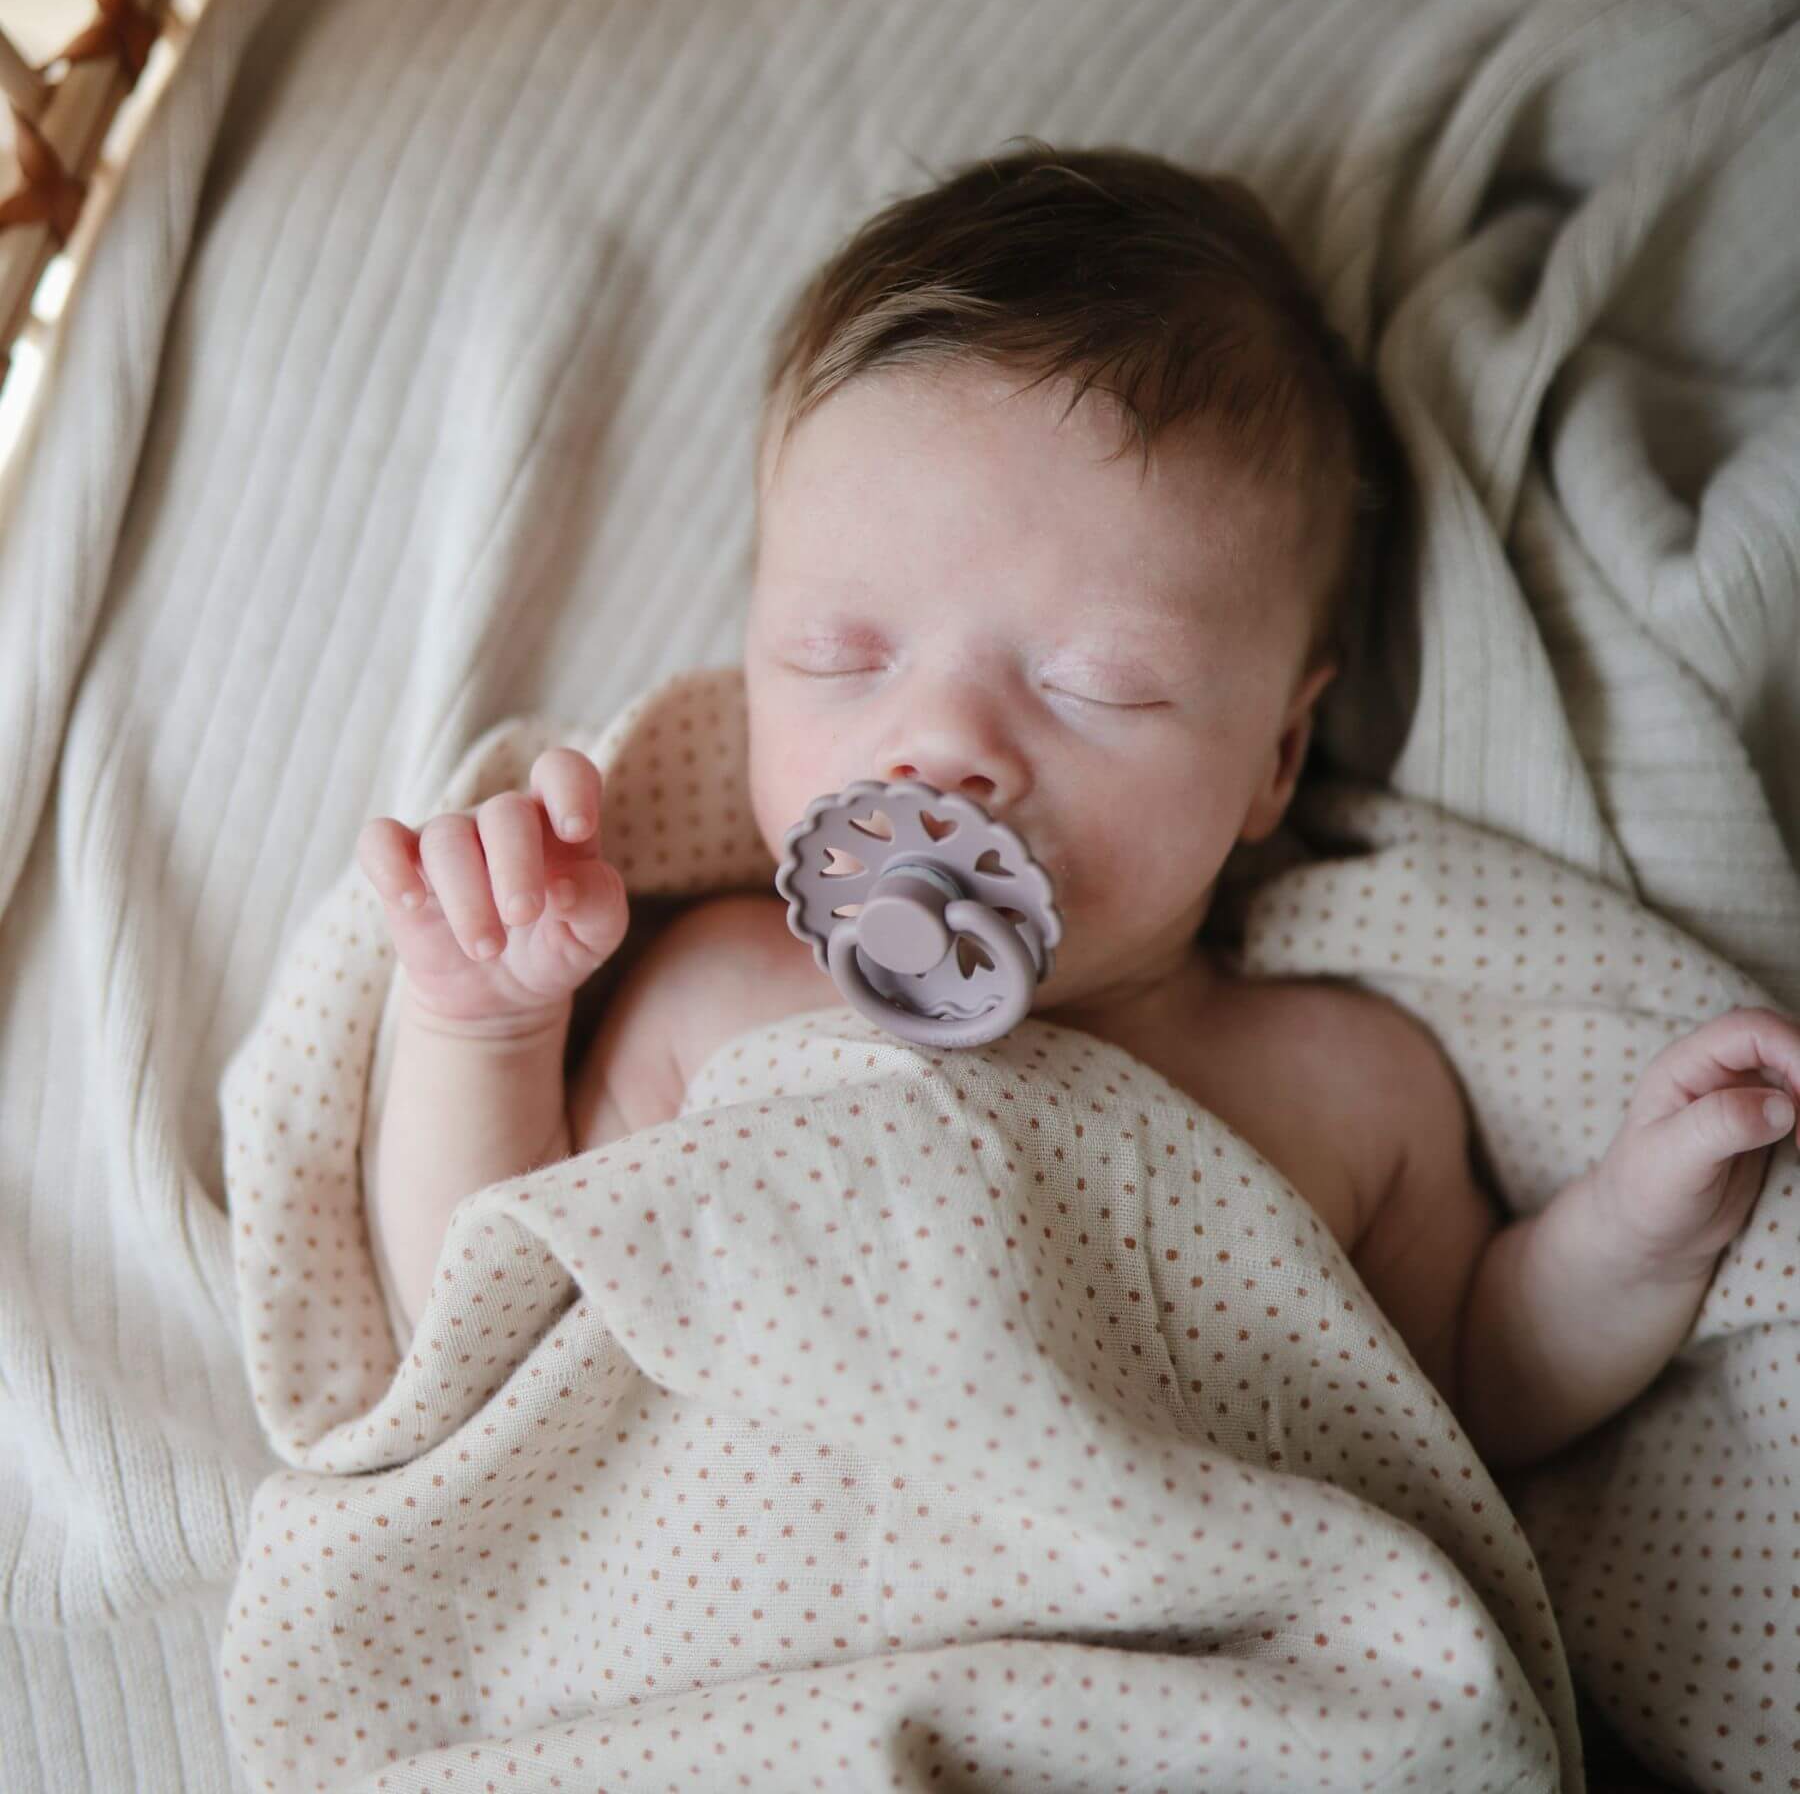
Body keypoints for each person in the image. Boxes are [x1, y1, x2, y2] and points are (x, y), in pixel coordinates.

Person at [356, 142, 1799, 1475]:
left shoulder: (1345, 1083)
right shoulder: (718, 995)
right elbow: (480, 1326)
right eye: (841, 657)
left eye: (1097, 684)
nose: (944, 746)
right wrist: (482, 1028)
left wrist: (1633, 1236)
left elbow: (1473, 1390)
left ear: (1275, 764)